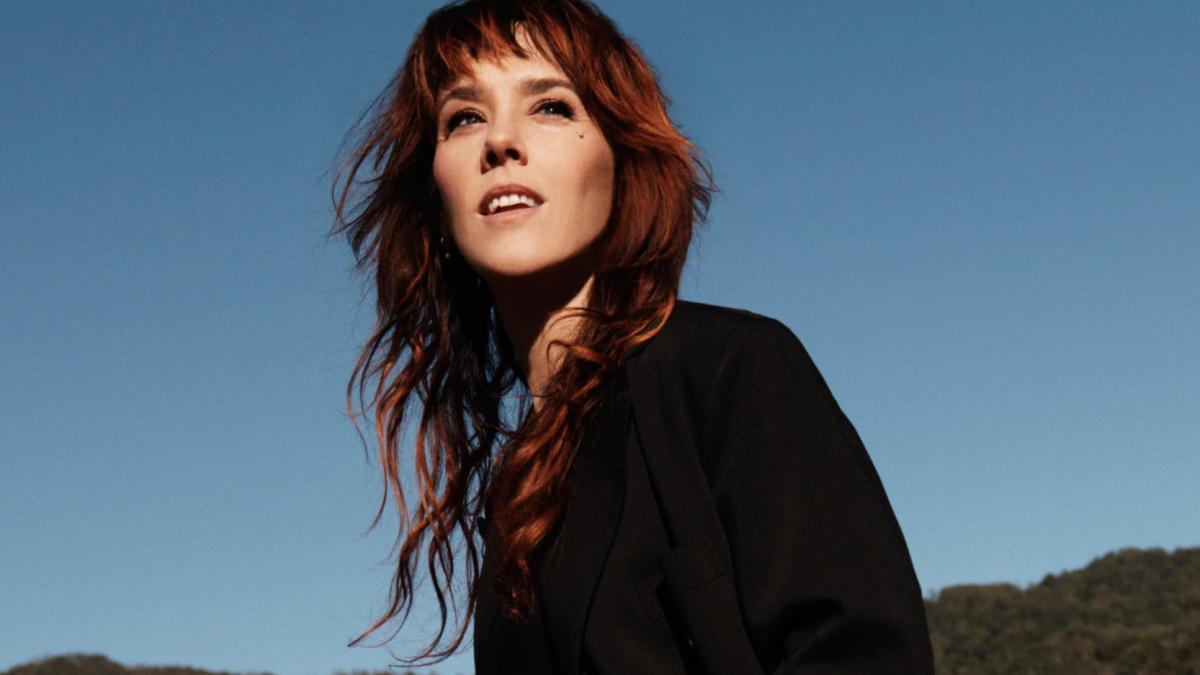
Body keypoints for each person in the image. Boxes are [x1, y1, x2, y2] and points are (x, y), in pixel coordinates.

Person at [333, 0, 934, 672]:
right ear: (436, 198)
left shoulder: (728, 370)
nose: (499, 141)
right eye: (464, 118)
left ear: (623, 164)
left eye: (551, 106)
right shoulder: (516, 505)